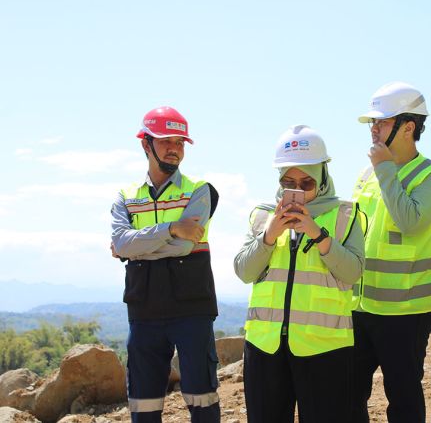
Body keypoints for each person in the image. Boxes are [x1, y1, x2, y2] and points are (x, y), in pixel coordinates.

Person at [234, 125, 365, 423]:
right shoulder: (262, 216)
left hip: (325, 348)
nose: (298, 190)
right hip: (265, 347)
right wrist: (268, 236)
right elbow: (243, 270)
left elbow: (353, 273)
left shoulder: (346, 214)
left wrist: (319, 235)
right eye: (288, 182)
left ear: (322, 176)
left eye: (306, 182)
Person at [111, 106, 221, 423]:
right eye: (166, 141)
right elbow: (122, 242)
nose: (175, 149)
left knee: (202, 399)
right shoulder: (126, 196)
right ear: (146, 144)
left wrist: (135, 247)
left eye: (180, 142)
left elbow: (187, 244)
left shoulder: (200, 190)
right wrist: (170, 229)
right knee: (143, 405)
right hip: (144, 310)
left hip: (192, 308)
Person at [351, 82, 431, 423]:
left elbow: (410, 222)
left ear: (409, 126)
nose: (374, 129)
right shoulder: (366, 175)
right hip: (359, 306)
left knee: (403, 396)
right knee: (348, 395)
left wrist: (385, 169)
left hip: (405, 311)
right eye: (372, 123)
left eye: (381, 122)